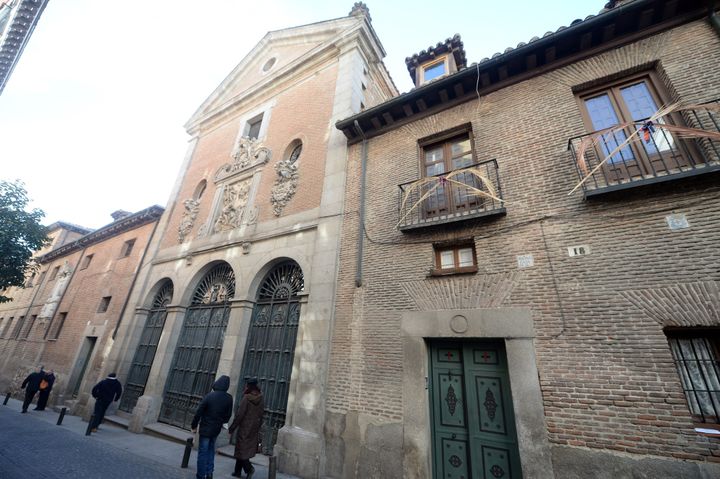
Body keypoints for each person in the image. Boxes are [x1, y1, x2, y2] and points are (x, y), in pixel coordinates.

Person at [191, 375, 233, 479]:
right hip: (216, 429)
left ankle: (200, 475)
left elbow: (199, 412)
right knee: (211, 451)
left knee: (203, 453)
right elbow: (228, 415)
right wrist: (221, 421)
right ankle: (209, 473)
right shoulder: (229, 398)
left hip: (205, 428)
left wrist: (194, 425)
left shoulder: (209, 396)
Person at [229, 378, 265, 479]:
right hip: (254, 428)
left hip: (245, 428)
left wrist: (232, 428)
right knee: (243, 449)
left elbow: (240, 415)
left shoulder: (246, 398)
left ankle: (249, 469)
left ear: (248, 386)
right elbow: (261, 413)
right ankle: (237, 471)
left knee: (241, 449)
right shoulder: (261, 397)